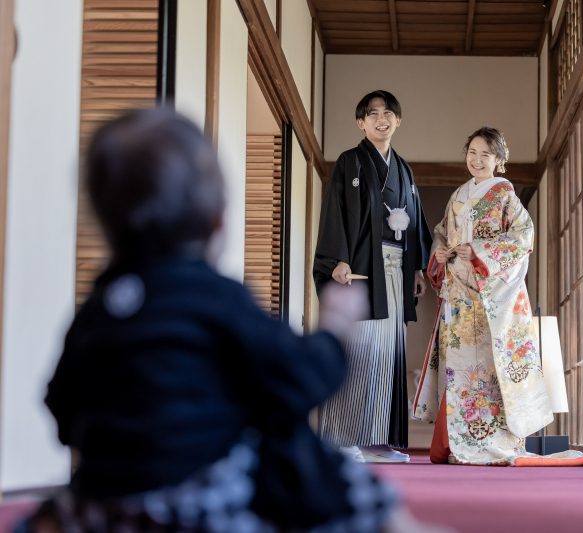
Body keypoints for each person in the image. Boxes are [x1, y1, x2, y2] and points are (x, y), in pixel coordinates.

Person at [21, 109, 448, 533]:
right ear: (218, 220)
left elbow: (60, 407)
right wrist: (335, 330)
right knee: (298, 449)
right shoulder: (216, 296)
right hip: (201, 502)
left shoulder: (100, 309)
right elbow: (301, 377)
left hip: (101, 503)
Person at [412, 127, 583, 467]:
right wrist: (442, 253)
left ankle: (489, 442)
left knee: (490, 373)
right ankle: (458, 443)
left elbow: (523, 237)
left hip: (489, 300)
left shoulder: (505, 195)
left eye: (486, 155)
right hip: (459, 302)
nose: (477, 160)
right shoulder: (458, 195)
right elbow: (439, 232)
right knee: (458, 371)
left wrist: (477, 251)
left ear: (499, 161)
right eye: (472, 152)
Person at [314, 90, 432, 464]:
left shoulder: (404, 169)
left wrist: (416, 267)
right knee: (359, 350)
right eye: (372, 114)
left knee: (389, 353)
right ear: (361, 122)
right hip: (362, 270)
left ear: (398, 121)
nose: (381, 119)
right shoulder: (350, 162)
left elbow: (415, 224)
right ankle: (340, 437)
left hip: (396, 272)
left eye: (388, 113)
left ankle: (378, 441)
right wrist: (338, 259)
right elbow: (336, 212)